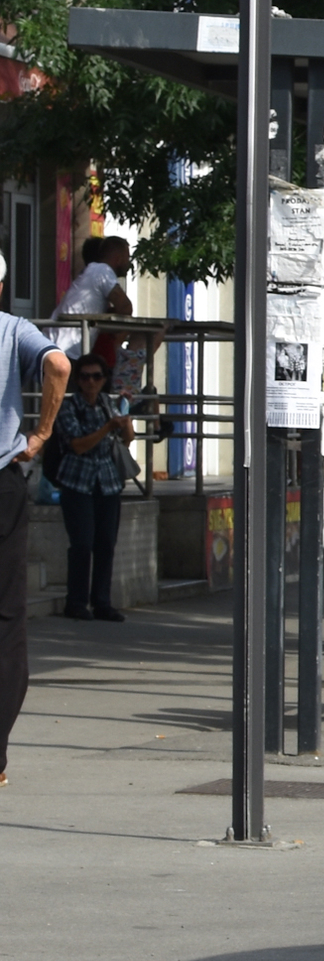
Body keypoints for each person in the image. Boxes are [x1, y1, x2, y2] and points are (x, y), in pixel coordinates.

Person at [0, 272, 72, 786]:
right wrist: (43, 430)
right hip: (1, 485)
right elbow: (59, 363)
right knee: (6, 618)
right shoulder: (11, 330)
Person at [53, 354, 131, 622]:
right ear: (77, 380)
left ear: (104, 379)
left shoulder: (109, 405)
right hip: (78, 482)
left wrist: (126, 421)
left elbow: (126, 440)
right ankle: (76, 602)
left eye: (96, 376)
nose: (91, 382)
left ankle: (102, 602)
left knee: (106, 544)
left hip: (107, 483)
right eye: (85, 377)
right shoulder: (68, 407)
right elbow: (78, 445)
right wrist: (107, 427)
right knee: (82, 544)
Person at [55, 235, 134, 374]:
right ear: (119, 258)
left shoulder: (93, 271)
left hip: (63, 350)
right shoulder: (102, 271)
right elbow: (126, 307)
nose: (129, 263)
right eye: (127, 257)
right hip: (66, 352)